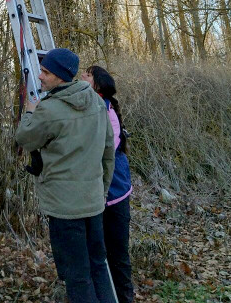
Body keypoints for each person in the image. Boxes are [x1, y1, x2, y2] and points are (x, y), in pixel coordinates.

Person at [15, 48, 117, 303]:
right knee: (98, 266)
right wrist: (101, 192)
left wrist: (29, 112)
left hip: (65, 209)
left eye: (46, 72)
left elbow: (25, 138)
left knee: (77, 276)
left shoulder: (49, 110)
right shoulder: (96, 101)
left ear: (61, 77)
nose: (39, 77)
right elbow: (108, 153)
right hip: (93, 203)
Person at [82, 65, 134, 303]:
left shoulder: (106, 110)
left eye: (88, 74)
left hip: (114, 194)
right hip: (97, 194)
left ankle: (124, 298)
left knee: (117, 254)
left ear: (98, 84)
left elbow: (105, 151)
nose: (83, 76)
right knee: (98, 253)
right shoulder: (87, 104)